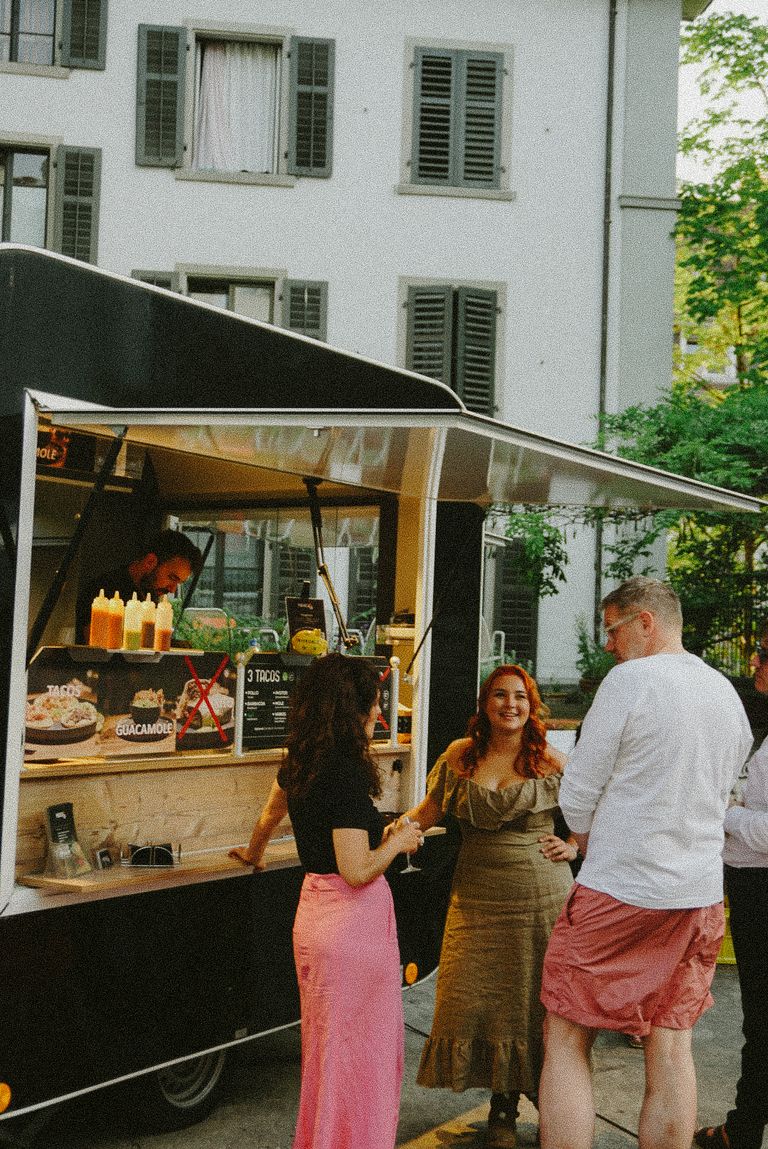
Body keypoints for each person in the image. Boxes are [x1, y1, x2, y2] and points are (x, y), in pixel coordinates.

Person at [538, 577, 753, 1149]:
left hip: (620, 888)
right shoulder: (724, 692)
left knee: (566, 1032)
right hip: (699, 892)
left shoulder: (629, 681)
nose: (608, 644)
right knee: (672, 1040)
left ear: (645, 622)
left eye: (612, 629)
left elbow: (578, 792)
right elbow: (730, 790)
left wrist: (586, 837)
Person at [229, 653, 422, 1149]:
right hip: (351, 930)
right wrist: (397, 843)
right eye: (375, 706)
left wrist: (254, 853)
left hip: (312, 917)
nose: (378, 715)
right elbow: (356, 869)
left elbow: (272, 811)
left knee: (326, 1056)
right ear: (355, 709)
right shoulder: (347, 772)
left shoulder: (300, 758)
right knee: (363, 1058)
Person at [400, 664, 578, 1149]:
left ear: (532, 704)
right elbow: (426, 813)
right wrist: (395, 833)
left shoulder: (551, 760)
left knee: (534, 1003)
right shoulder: (460, 756)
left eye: (519, 696)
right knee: (480, 1001)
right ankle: (502, 1106)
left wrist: (576, 843)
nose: (510, 705)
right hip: (476, 898)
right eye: (499, 695)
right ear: (485, 704)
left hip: (540, 898)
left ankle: (550, 1102)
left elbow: (600, 805)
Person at [694, 622, 768, 1149]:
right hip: (751, 887)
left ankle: (741, 1132)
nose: (756, 660)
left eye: (764, 652)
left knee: (762, 1022)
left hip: (763, 891)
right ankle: (743, 1126)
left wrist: (728, 814)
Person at [75, 528, 203, 642]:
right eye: (172, 578)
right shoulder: (103, 591)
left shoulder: (150, 596)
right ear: (150, 561)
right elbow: (96, 646)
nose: (172, 589)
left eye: (178, 583)